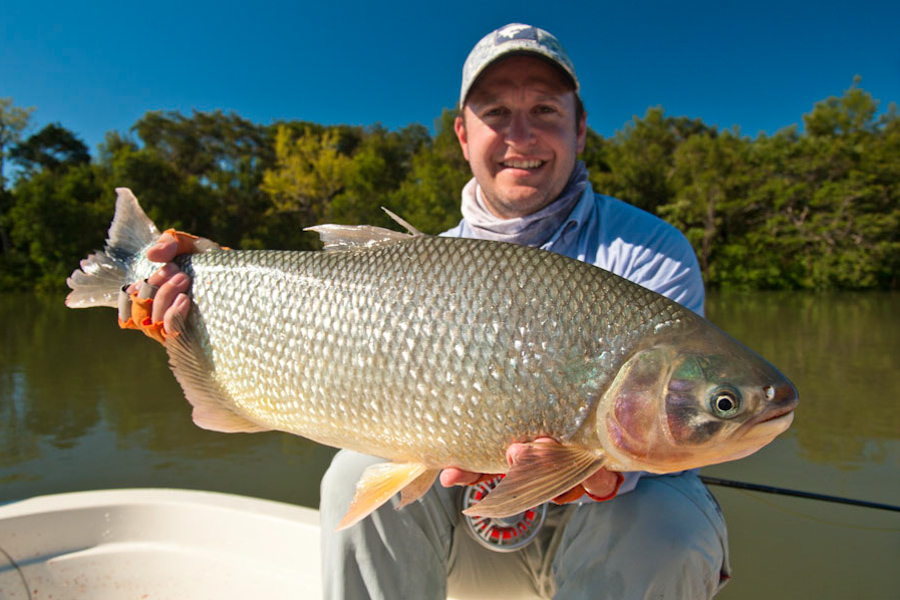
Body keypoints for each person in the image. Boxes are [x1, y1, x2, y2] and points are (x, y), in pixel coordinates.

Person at [124, 23, 730, 600]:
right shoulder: (422, 266)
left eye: (545, 109)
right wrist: (196, 305)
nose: (521, 135)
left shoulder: (651, 253)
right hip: (460, 535)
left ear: (580, 128)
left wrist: (606, 472)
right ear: (464, 135)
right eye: (497, 112)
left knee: (667, 520)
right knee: (352, 475)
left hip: (599, 543)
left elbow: (651, 439)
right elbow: (300, 329)